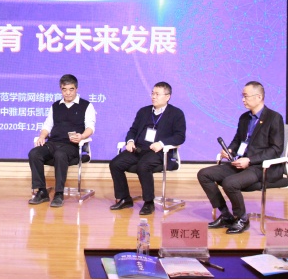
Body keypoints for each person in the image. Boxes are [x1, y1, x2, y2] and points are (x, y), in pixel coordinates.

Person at [197, 81, 285, 234]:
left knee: (230, 183)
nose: (243, 100)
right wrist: (229, 150)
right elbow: (238, 140)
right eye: (242, 96)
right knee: (204, 174)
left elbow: (276, 149)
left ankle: (242, 219)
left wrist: (250, 160)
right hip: (240, 163)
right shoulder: (244, 118)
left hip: (260, 166)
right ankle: (226, 215)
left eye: (246, 96)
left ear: (259, 97)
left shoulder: (274, 118)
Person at [108, 81, 186, 215]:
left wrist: (162, 143)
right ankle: (125, 198)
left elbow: (180, 136)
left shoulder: (176, 114)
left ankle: (149, 202)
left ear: (167, 97)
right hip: (138, 149)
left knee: (143, 166)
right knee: (115, 163)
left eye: (157, 94)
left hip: (158, 152)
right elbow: (133, 130)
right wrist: (130, 141)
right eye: (152, 93)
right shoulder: (143, 111)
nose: (153, 97)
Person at [28, 74, 96, 208]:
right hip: (53, 143)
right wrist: (42, 136)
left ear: (76, 89)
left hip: (72, 145)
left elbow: (90, 127)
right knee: (34, 153)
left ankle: (59, 193)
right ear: (61, 89)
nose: (68, 93)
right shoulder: (55, 106)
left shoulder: (86, 106)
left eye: (71, 89)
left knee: (60, 155)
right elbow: (47, 126)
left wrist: (82, 136)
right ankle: (41, 191)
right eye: (64, 89)